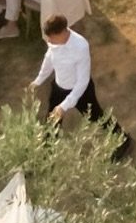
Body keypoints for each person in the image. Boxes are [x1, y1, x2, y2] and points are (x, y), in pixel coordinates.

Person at [29, 14, 130, 155]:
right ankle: (45, 156)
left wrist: (64, 106)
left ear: (63, 32)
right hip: (59, 88)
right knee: (51, 122)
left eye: (52, 37)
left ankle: (124, 139)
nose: (49, 41)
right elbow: (49, 59)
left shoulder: (80, 46)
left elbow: (82, 81)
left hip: (81, 92)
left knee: (97, 117)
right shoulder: (53, 42)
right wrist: (38, 80)